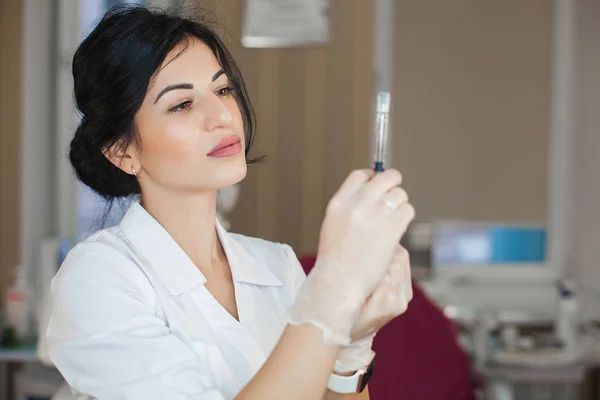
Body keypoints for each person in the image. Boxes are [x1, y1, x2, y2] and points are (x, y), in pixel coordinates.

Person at [46, 5, 415, 400]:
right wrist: (330, 292)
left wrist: (350, 349)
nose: (222, 115)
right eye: (182, 104)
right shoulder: (98, 279)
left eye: (222, 90)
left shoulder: (278, 267)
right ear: (122, 152)